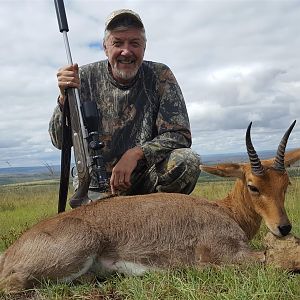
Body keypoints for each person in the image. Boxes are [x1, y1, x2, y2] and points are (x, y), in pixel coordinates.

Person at [49, 9, 201, 201]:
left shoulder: (160, 76)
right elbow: (59, 141)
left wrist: (137, 154)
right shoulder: (82, 79)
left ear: (144, 47)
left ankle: (158, 224)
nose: (126, 51)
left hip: (146, 181)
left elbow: (180, 135)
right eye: (118, 43)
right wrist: (64, 98)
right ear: (105, 47)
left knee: (186, 161)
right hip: (97, 185)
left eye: (134, 43)